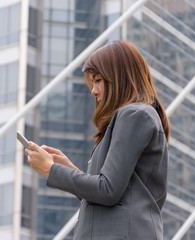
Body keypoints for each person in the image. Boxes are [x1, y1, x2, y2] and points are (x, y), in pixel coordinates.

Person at [25, 40, 170, 240]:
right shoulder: (132, 117)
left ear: (120, 78)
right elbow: (113, 190)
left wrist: (52, 170)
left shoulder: (135, 115)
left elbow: (107, 190)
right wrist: (68, 169)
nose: (93, 90)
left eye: (99, 80)